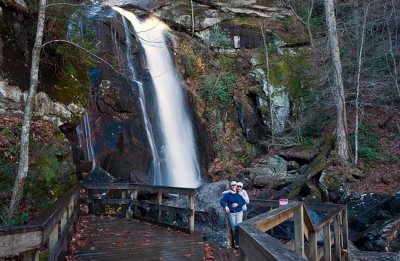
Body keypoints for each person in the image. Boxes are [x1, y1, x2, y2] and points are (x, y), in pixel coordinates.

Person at [220, 181, 246, 248]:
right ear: (231, 186)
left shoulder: (239, 194)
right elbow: (222, 201)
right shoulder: (228, 195)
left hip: (239, 212)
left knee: (239, 226)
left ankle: (239, 242)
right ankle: (236, 241)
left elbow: (244, 201)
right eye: (233, 185)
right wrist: (225, 206)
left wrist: (238, 204)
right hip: (231, 213)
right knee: (234, 227)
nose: (234, 186)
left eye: (235, 185)